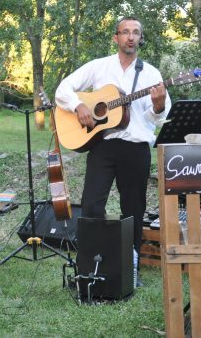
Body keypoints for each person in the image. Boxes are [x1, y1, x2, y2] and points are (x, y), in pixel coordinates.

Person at [55, 16, 171, 286]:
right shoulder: (99, 67)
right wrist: (79, 107)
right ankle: (90, 265)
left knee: (133, 208)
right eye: (125, 32)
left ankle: (131, 268)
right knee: (92, 204)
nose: (130, 37)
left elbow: (159, 118)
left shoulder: (152, 74)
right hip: (103, 146)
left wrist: (158, 105)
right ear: (116, 37)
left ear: (140, 39)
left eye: (136, 33)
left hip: (136, 148)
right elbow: (63, 89)